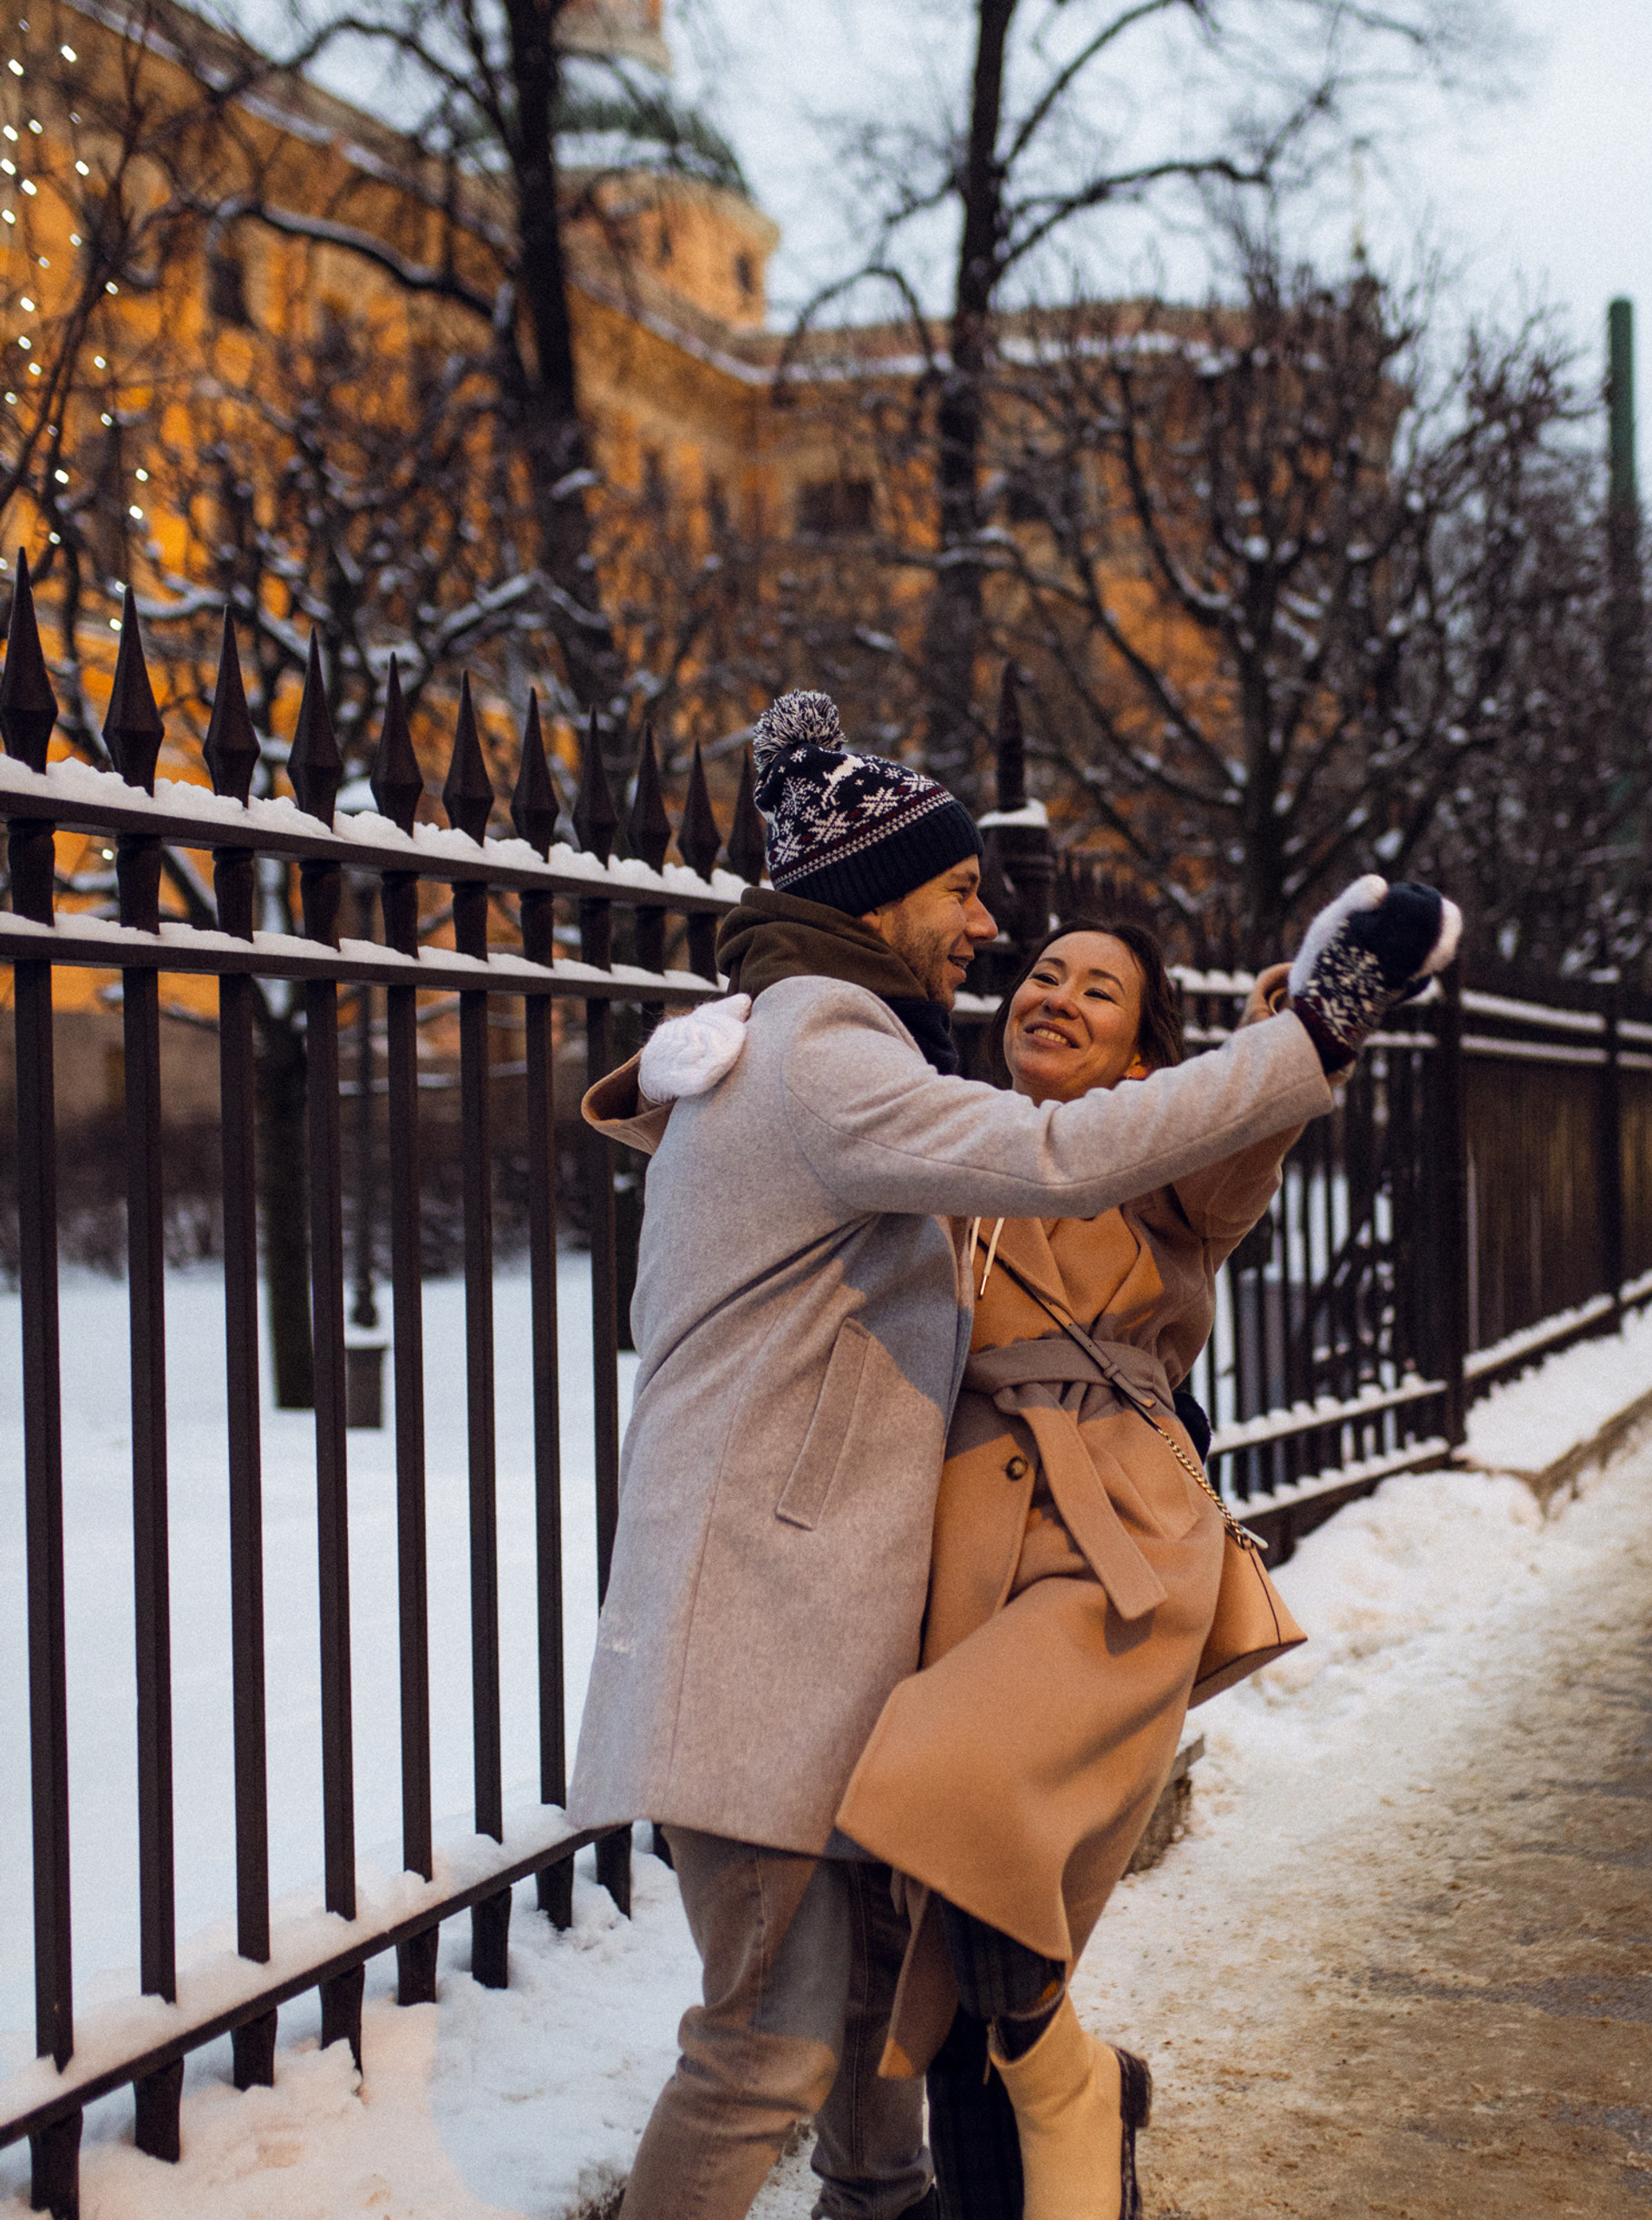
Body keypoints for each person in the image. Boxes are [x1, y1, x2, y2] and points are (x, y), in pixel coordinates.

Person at [569, 689, 1452, 2220]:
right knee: (770, 2044)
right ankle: (1007, 2122)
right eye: (964, 891)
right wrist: (1307, 1035)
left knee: (862, 2007)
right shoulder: (828, 1053)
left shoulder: (803, 1048)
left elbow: (1186, 1179)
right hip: (762, 1617)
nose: (990, 927)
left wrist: (1280, 1053)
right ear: (877, 897)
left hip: (841, 1611)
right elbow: (1051, 1155)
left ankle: (898, 2192)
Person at [833, 917, 1365, 2220]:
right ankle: (1057, 2137)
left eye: (1100, 990)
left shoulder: (1162, 1156)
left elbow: (1244, 1137)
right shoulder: (946, 1137)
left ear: (1143, 1054)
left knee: (955, 1789)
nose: (1059, 997)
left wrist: (1298, 1032)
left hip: (1111, 1546)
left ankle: (1070, 2079)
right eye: (1044, 976)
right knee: (953, 1916)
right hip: (957, 1549)